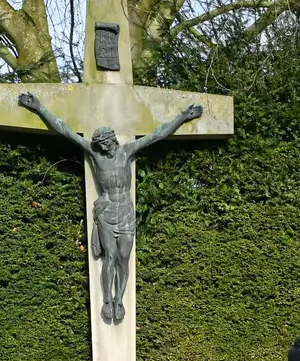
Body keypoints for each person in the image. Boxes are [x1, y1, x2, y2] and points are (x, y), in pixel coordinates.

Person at [15, 91, 201, 323]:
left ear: (112, 140)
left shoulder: (126, 151)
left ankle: (120, 299)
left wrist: (183, 117)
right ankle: (107, 300)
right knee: (110, 257)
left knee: (124, 257)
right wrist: (39, 108)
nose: (103, 149)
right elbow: (65, 130)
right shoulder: (95, 154)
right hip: (106, 212)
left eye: (105, 144)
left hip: (125, 211)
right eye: (100, 146)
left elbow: (157, 135)